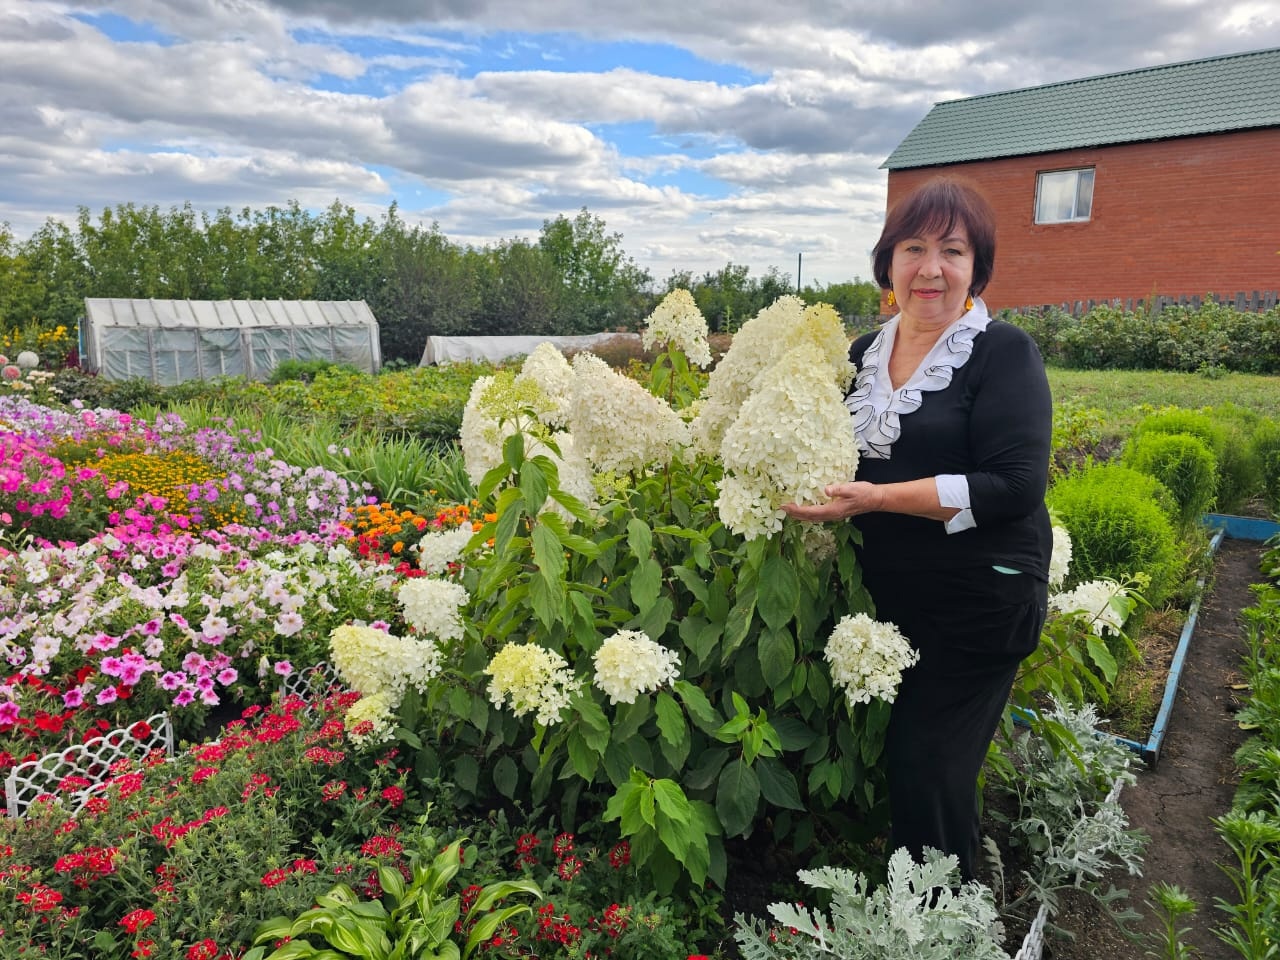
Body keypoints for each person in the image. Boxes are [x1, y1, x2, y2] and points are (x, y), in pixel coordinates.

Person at [782, 176, 1052, 883]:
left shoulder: (1002, 353)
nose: (931, 268)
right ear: (888, 263)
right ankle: (942, 897)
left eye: (952, 251)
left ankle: (944, 925)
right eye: (914, 247)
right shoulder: (862, 355)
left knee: (928, 763)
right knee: (924, 766)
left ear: (975, 269)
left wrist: (876, 498)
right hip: (892, 604)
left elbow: (1015, 486)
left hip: (981, 603)